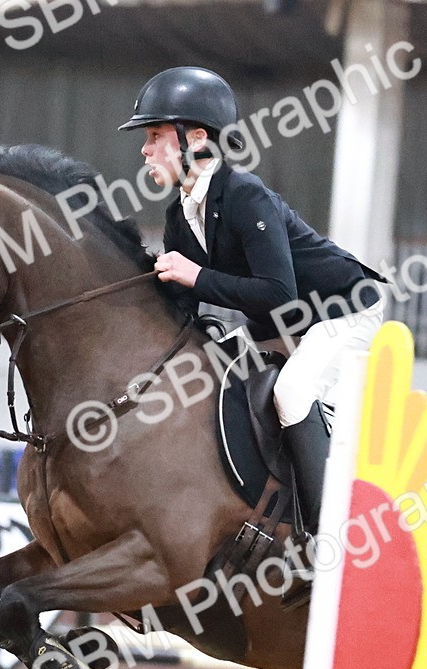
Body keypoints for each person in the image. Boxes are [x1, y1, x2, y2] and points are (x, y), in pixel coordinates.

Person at [119, 65, 386, 533]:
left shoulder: (245, 195)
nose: (144, 149)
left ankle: (327, 537)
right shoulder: (179, 215)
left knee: (293, 391)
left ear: (196, 138)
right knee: (211, 381)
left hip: (344, 309)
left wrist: (196, 276)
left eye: (155, 135)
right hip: (282, 325)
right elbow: (184, 302)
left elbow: (277, 292)